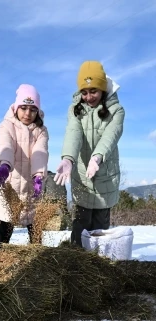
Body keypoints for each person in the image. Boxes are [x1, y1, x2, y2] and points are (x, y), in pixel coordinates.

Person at [54, 61, 125, 246]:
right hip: (82, 178)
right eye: (84, 92)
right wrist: (68, 158)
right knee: (80, 229)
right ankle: (75, 263)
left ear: (102, 88)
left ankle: (100, 265)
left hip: (105, 179)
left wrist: (97, 157)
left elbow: (111, 135)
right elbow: (73, 132)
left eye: (93, 91)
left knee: (100, 233)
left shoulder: (116, 110)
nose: (88, 97)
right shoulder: (75, 110)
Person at [0, 84, 49, 249]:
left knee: (35, 227)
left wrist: (38, 176)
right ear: (16, 107)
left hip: (33, 186)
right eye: (23, 108)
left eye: (32, 109)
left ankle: (38, 258)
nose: (27, 113)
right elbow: (6, 145)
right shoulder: (7, 126)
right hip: (10, 184)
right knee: (6, 227)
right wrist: (4, 165)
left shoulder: (41, 131)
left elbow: (40, 152)